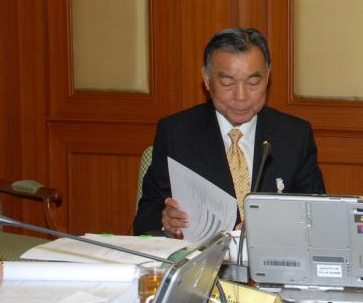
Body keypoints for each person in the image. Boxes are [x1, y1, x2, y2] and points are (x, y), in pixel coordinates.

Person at [134, 28, 325, 236]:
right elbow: (145, 220)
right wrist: (166, 222)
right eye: (227, 83)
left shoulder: (295, 136)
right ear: (207, 79)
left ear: (267, 77)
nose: (241, 96)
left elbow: (317, 219)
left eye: (253, 83)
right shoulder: (176, 134)